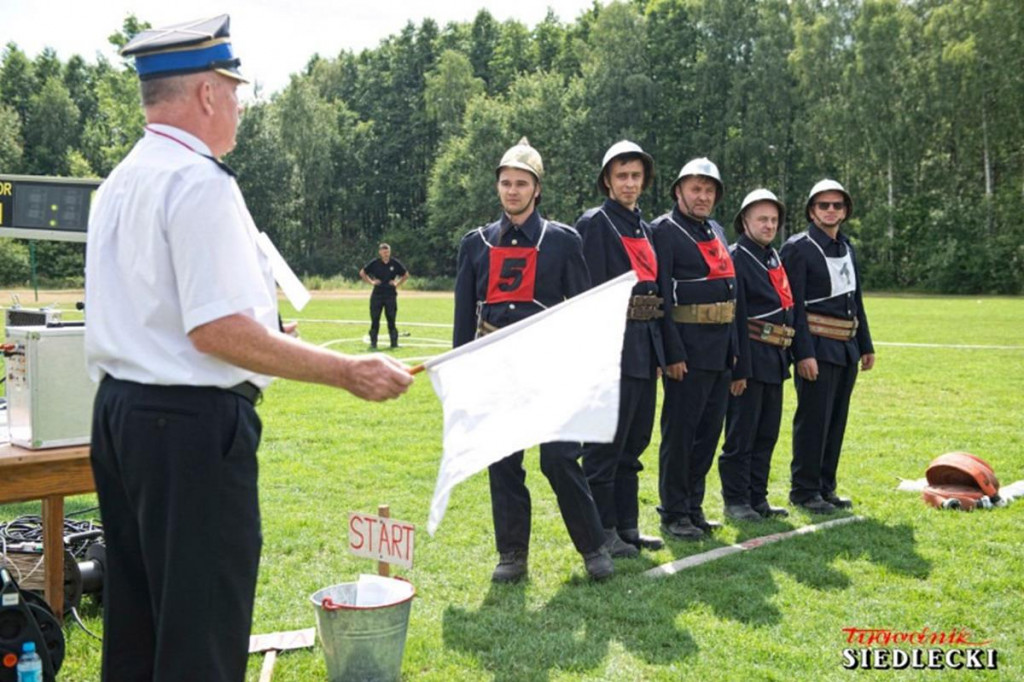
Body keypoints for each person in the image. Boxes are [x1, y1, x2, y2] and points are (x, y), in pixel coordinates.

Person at [84, 16, 413, 681]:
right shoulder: (199, 180)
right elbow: (214, 331)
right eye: (234, 89)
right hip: (188, 430)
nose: (240, 103)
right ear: (207, 93)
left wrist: (264, 336)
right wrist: (347, 371)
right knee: (201, 634)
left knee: (139, 629)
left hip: (123, 417)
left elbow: (167, 315)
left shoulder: (121, 180)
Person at [453, 137, 613, 582]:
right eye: (506, 183)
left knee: (559, 459)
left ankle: (594, 547)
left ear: (537, 189)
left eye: (521, 184)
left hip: (550, 371)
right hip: (496, 373)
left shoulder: (562, 241)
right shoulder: (475, 244)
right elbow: (463, 319)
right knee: (503, 462)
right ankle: (512, 555)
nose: (512, 191)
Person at [574, 141, 665, 556]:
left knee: (634, 442)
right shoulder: (596, 224)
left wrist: (659, 353)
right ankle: (602, 532)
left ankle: (627, 527)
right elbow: (587, 293)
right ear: (607, 182)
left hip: (644, 346)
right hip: (611, 349)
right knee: (604, 447)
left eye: (636, 176)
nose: (629, 183)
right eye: (621, 176)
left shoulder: (644, 228)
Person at [652, 158, 743, 541]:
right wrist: (671, 354)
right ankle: (674, 511)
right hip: (687, 352)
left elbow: (731, 292)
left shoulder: (716, 230)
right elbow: (661, 294)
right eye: (695, 189)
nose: (702, 196)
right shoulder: (664, 230)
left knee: (708, 434)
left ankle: (693, 506)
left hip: (720, 350)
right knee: (681, 435)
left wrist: (734, 349)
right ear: (679, 191)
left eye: (709, 190)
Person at [781, 179, 875, 513]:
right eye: (824, 205)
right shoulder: (798, 248)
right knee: (814, 420)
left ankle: (825, 486)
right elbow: (794, 306)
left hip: (846, 347)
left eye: (837, 205)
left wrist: (866, 344)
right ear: (812, 211)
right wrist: (803, 353)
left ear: (846, 211)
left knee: (836, 420)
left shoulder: (846, 247)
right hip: (817, 347)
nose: (831, 210)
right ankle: (804, 490)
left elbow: (856, 299)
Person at [718, 189, 793, 522]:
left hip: (774, 358)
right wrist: (740, 369)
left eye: (774, 220)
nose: (769, 225)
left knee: (766, 434)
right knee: (741, 435)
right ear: (745, 221)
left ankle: (757, 497)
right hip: (749, 357)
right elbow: (736, 317)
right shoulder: (737, 257)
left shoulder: (772, 256)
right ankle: (736, 500)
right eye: (762, 219)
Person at [359, 243, 409, 349]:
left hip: (390, 295)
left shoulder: (394, 263)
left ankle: (394, 343)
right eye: (384, 252)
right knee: (375, 319)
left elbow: (406, 274)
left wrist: (397, 283)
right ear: (380, 252)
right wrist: (372, 282)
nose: (386, 254)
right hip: (377, 295)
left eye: (388, 252)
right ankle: (373, 343)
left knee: (391, 319)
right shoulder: (375, 263)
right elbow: (362, 272)